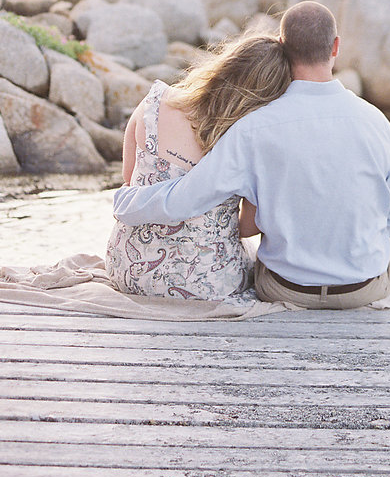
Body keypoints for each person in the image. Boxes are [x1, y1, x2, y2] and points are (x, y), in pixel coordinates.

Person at [112, 1, 390, 309]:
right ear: (336, 47)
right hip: (361, 290)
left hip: (288, 289)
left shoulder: (253, 128)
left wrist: (126, 203)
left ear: (283, 46)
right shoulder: (375, 121)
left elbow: (188, 198)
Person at [106, 34, 291, 300]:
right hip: (206, 283)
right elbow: (248, 226)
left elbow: (129, 179)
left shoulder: (154, 104)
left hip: (127, 269)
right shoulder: (247, 142)